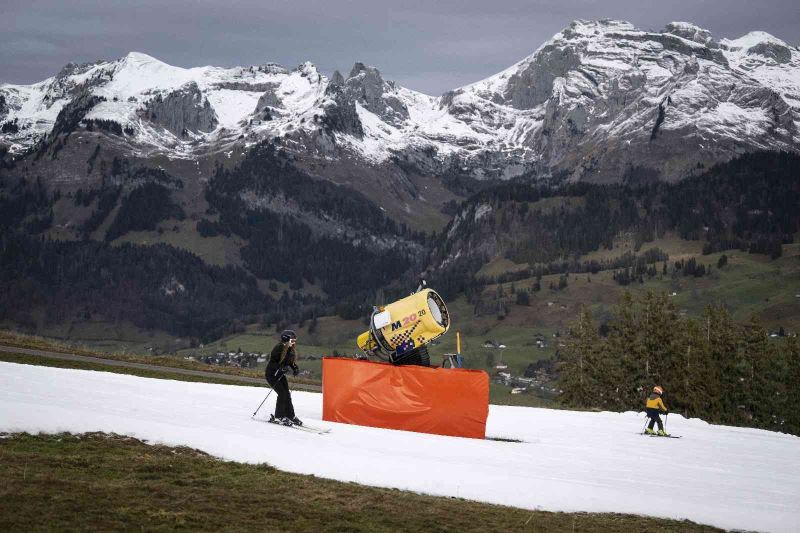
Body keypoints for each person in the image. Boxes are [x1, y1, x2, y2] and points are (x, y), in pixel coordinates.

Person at [265, 330, 302, 426]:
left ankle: (290, 416)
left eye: (295, 341)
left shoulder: (290, 349)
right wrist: (280, 367)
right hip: (272, 374)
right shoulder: (278, 348)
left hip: (280, 374)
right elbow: (273, 362)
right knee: (282, 394)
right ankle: (278, 417)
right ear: (287, 339)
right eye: (292, 340)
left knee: (287, 394)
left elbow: (289, 362)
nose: (294, 343)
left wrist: (294, 368)